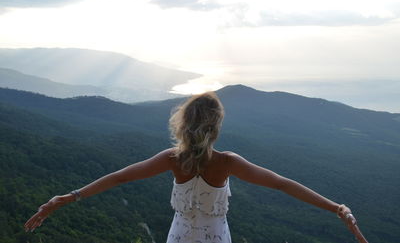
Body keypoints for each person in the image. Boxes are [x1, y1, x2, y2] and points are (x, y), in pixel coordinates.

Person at [24, 92, 368, 243]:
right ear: (216, 127)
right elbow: (282, 184)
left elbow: (121, 176)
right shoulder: (228, 163)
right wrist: (335, 207)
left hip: (179, 237)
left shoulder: (171, 160)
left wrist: (70, 196)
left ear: (183, 124)